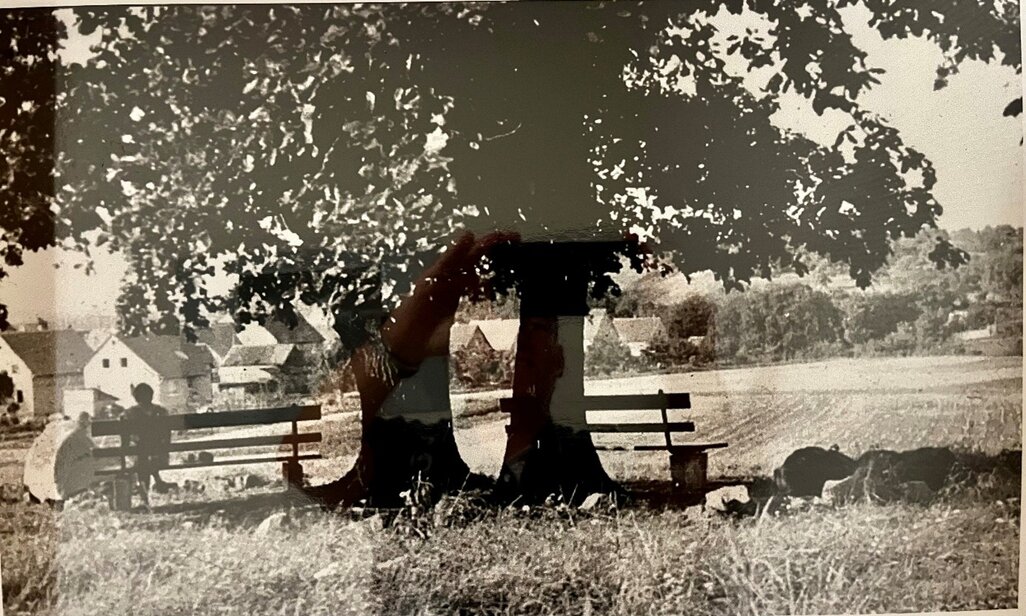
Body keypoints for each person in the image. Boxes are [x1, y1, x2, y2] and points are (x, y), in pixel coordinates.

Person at [124, 384, 174, 504]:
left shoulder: (130, 413)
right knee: (146, 455)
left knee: (142, 454)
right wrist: (165, 448)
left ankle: (145, 496)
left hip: (140, 456)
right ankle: (157, 480)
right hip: (159, 456)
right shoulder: (162, 412)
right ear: (151, 396)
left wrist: (126, 449)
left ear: (136, 398)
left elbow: (126, 437)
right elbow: (167, 435)